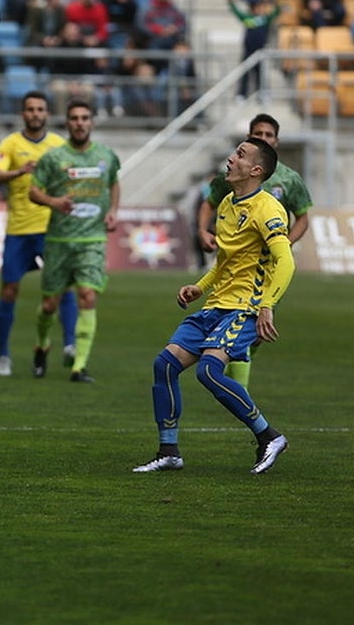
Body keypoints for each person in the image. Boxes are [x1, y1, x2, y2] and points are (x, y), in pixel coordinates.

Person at [133, 137, 293, 475]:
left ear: (256, 170)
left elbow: (286, 261)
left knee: (208, 371)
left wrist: (267, 305)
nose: (231, 158)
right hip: (216, 306)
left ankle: (269, 436)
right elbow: (224, 262)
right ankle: (169, 451)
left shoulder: (268, 209)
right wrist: (200, 286)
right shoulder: (227, 204)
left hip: (245, 308)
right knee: (164, 365)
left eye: (240, 155)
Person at [196, 113, 312, 388]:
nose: (263, 138)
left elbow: (303, 218)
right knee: (242, 330)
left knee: (255, 334)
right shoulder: (233, 172)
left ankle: (234, 383)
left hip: (267, 269)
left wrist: (283, 244)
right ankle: (238, 394)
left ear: (277, 141)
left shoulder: (289, 179)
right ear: (250, 136)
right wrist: (202, 230)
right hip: (234, 267)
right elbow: (209, 203)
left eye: (268, 135)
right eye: (258, 134)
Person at [28, 99, 120, 383]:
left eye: (84, 118)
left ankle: (79, 366)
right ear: (67, 123)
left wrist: (113, 211)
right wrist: (53, 201)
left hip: (92, 239)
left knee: (88, 296)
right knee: (49, 305)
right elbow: (33, 191)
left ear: (91, 122)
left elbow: (114, 182)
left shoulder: (106, 156)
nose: (80, 123)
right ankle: (42, 344)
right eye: (75, 118)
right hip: (59, 240)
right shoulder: (53, 158)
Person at [0, 91, 78, 378]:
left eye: (40, 109)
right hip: (19, 230)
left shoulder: (58, 145)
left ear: (47, 114)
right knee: (9, 290)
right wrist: (20, 171)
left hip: (52, 229)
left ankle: (71, 345)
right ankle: (3, 355)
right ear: (23, 113)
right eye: (30, 109)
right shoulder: (11, 144)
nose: (35, 114)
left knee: (63, 287)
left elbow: (73, 178)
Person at [226, 0, 281, 101]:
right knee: (245, 73)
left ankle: (263, 93)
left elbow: (276, 12)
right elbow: (236, 12)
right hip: (248, 50)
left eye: (261, 7)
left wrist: (276, 2)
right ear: (252, 9)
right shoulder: (247, 18)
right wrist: (231, 2)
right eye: (257, 7)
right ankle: (242, 94)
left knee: (261, 74)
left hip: (260, 51)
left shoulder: (265, 19)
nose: (260, 9)